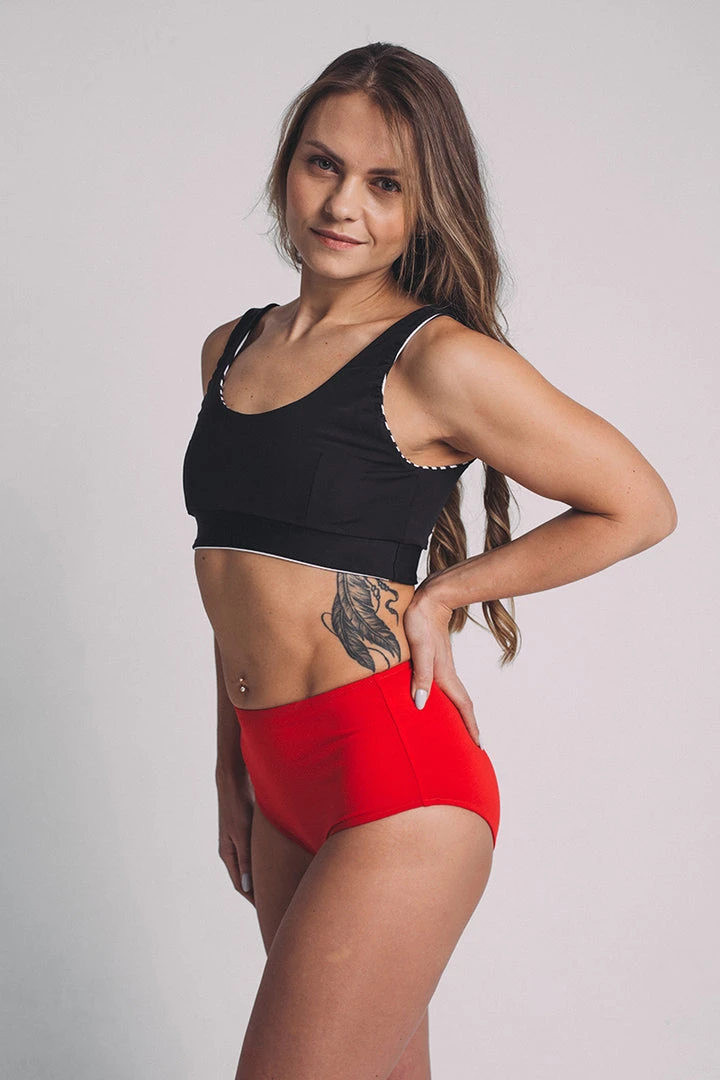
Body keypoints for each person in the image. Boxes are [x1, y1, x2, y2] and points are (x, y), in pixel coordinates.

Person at [182, 41, 676, 1080]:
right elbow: (235, 582)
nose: (343, 205)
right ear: (287, 164)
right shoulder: (230, 348)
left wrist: (445, 594)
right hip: (278, 778)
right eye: (323, 165)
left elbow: (638, 505)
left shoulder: (435, 359)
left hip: (396, 777)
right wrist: (229, 763)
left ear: (426, 204)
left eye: (386, 183)